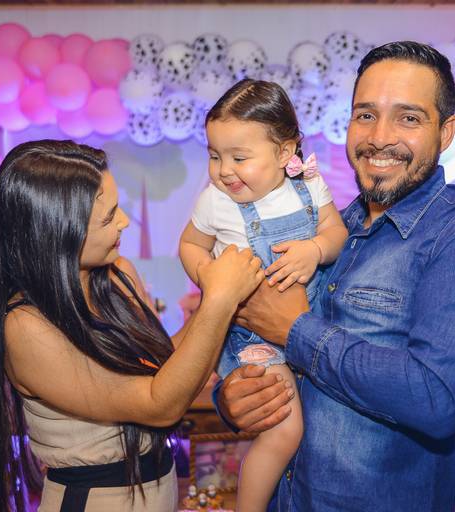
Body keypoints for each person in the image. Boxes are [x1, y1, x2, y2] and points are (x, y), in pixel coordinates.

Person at [217, 42, 455, 510]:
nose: (380, 137)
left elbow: (436, 400)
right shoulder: (329, 231)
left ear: (445, 132)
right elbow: (263, 346)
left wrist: (296, 330)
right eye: (365, 115)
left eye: (408, 118)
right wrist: (234, 396)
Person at [0, 140, 264, 511]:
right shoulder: (27, 326)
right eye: (108, 217)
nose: (124, 221)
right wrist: (219, 301)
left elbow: (164, 368)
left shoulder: (117, 275)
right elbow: (159, 404)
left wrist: (221, 306)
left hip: (157, 487)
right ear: (56, 233)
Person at [178, 79, 348, 512]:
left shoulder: (309, 186)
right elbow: (191, 244)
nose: (224, 170)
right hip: (252, 336)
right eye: (214, 156)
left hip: (310, 323)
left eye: (239, 158)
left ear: (285, 152)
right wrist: (209, 277)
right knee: (283, 431)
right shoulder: (216, 201)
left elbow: (336, 232)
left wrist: (315, 249)